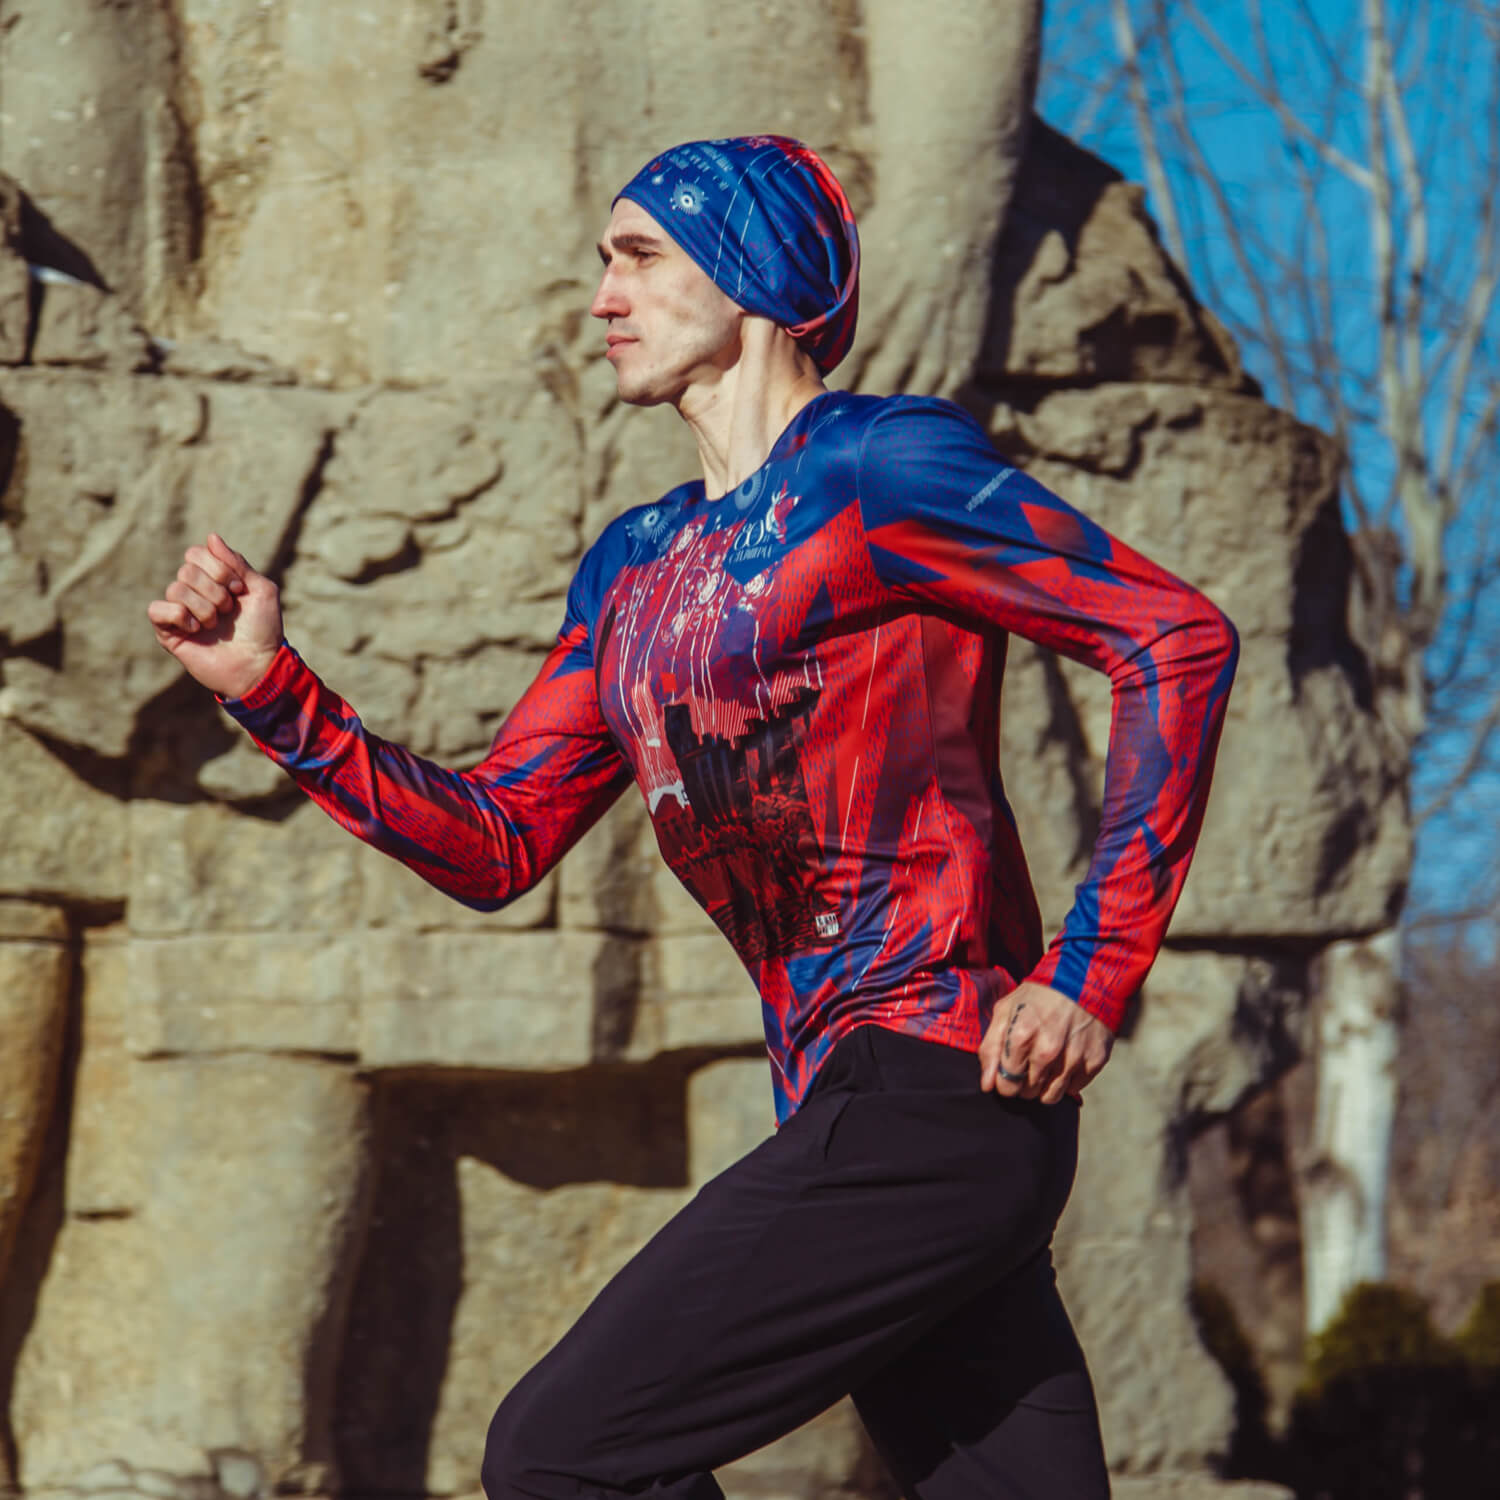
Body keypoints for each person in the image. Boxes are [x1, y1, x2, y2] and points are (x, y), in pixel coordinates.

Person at [149, 135, 1238, 1500]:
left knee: (565, 1454)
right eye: (605, 261)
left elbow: (1173, 639)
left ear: (754, 274)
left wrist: (1090, 972)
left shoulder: (879, 467)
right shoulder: (634, 568)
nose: (603, 295)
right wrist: (274, 693)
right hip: (852, 1104)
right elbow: (497, 842)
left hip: (934, 1088)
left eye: (641, 255)